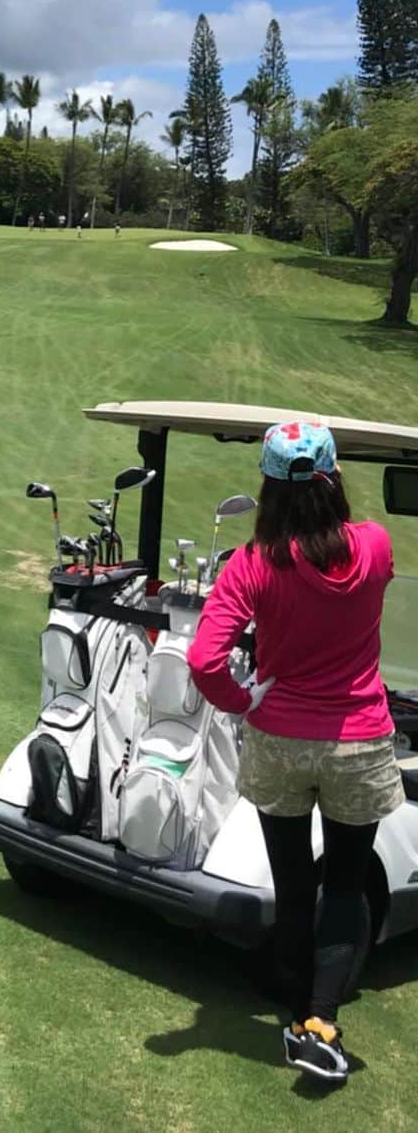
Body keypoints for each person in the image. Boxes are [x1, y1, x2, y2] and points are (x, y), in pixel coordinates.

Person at [188, 420, 403, 1084]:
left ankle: (295, 1010)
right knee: (344, 882)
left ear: (269, 488)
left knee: (293, 883)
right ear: (333, 478)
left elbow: (204, 660)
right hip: (357, 739)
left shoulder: (255, 561)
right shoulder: (375, 544)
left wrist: (241, 700)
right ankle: (321, 1020)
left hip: (279, 739)